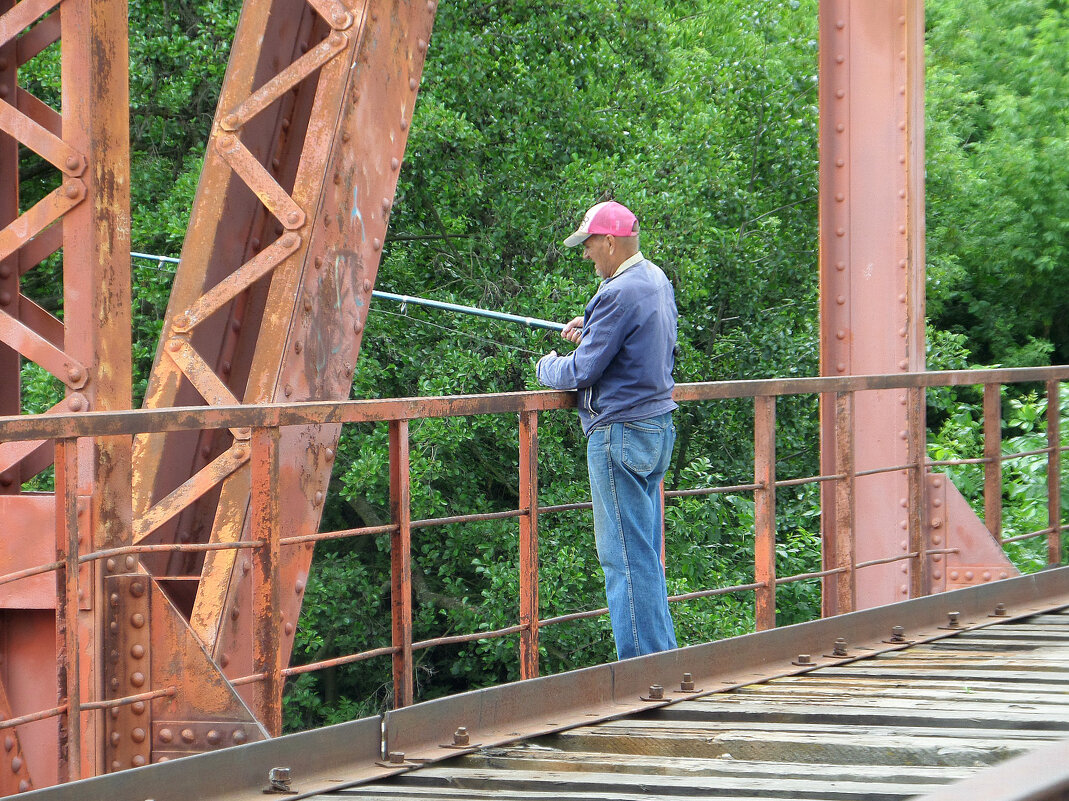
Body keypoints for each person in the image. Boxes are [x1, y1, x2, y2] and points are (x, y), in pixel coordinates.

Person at [536, 200, 678, 660]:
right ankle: (664, 658)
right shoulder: (654, 279)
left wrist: (547, 366)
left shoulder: (618, 291)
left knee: (624, 559)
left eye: (589, 244)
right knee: (645, 554)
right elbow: (641, 343)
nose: (586, 254)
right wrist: (592, 326)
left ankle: (643, 673)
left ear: (611, 242)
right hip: (655, 427)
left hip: (619, 435)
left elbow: (582, 370)